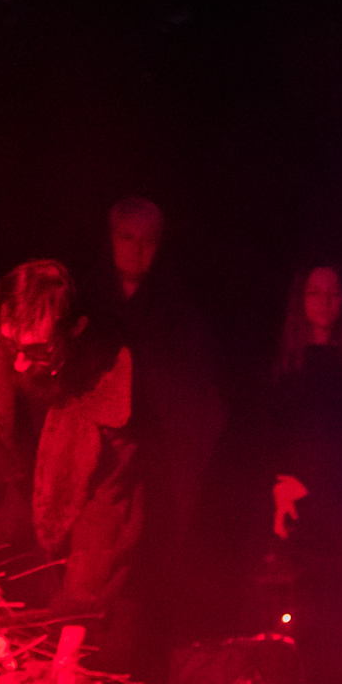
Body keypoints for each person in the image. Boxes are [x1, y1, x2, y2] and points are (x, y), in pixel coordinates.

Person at [0, 260, 145, 666]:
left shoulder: (105, 387)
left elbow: (106, 510)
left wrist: (77, 612)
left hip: (77, 530)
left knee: (99, 650)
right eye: (12, 346)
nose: (21, 364)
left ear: (74, 331)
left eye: (39, 350)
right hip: (11, 515)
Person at [86, 197, 225, 650]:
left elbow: (201, 402)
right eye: (126, 239)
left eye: (148, 241)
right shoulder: (89, 306)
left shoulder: (178, 311)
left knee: (146, 590)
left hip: (158, 472)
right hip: (97, 470)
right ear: (110, 240)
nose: (136, 250)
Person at [265, 263, 342, 684]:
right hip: (295, 497)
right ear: (301, 300)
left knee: (338, 603)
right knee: (300, 603)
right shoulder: (288, 365)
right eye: (315, 293)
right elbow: (275, 431)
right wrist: (280, 485)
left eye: (333, 293)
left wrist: (323, 484)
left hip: (340, 496)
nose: (325, 302)